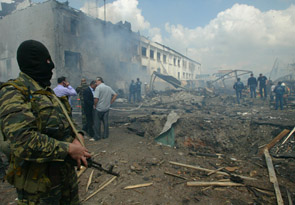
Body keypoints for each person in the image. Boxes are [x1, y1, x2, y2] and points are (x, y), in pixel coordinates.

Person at [0, 40, 91, 204]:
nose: (51, 67)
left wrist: (78, 136)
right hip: (39, 187)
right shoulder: (13, 92)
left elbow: (68, 122)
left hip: (65, 180)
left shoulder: (48, 92)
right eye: (47, 62)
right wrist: (68, 148)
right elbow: (22, 141)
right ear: (34, 63)